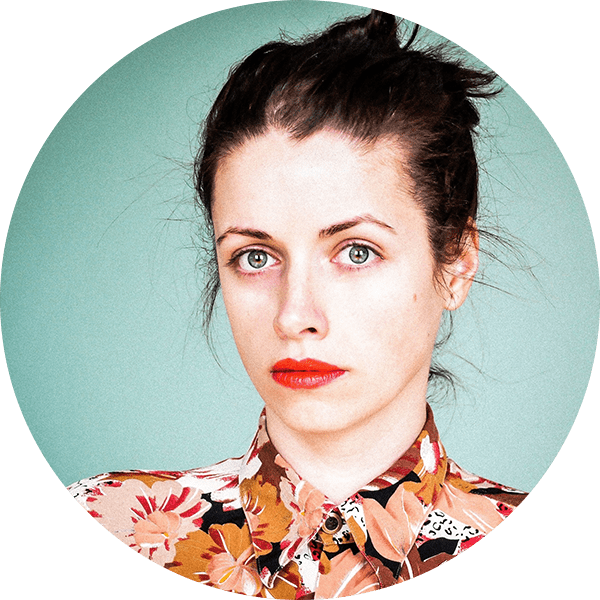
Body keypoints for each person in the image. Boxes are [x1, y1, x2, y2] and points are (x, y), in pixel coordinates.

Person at [68, 9, 527, 597]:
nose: (294, 316)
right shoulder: (104, 528)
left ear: (456, 263)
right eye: (255, 257)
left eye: (356, 252)